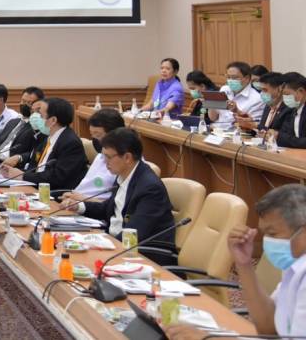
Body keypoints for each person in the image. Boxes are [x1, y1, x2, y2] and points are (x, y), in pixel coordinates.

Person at [164, 184, 306, 339]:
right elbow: (269, 329)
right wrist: (244, 264)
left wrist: (208, 338)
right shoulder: (295, 265)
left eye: (272, 234)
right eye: (265, 234)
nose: (267, 241)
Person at [65, 128, 176, 265]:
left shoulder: (150, 188)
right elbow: (108, 208)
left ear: (127, 157)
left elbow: (134, 233)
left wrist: (100, 246)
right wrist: (79, 206)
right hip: (116, 245)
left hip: (142, 257)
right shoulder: (124, 175)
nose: (105, 162)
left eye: (108, 157)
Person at [0, 97, 87, 191]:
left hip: (53, 193)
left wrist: (22, 176)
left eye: (40, 115)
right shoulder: (49, 138)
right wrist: (12, 172)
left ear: (53, 120)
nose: (37, 117)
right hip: (34, 187)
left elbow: (57, 177)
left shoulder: (70, 143)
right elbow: (35, 168)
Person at [68, 107, 126, 197]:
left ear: (115, 133)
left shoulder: (125, 162)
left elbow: (114, 202)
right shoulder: (100, 156)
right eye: (92, 135)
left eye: (98, 135)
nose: (95, 139)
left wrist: (80, 199)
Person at [0, 88, 44, 162]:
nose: (24, 104)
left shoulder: (38, 128)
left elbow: (35, 152)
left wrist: (19, 158)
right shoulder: (13, 121)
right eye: (23, 101)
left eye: (29, 102)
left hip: (11, 164)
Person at [210, 61, 264, 125]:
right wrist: (211, 104)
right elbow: (213, 118)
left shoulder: (257, 99)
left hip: (237, 130)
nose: (230, 80)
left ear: (247, 78)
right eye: (228, 77)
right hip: (216, 128)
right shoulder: (224, 89)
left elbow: (252, 125)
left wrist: (237, 111)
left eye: (234, 78)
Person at [238, 72, 287, 136]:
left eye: (265, 90)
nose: (262, 93)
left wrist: (254, 125)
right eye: (261, 90)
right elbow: (261, 130)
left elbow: (280, 134)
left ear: (279, 89)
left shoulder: (287, 109)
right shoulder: (268, 106)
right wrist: (248, 126)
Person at [275, 73, 306, 149]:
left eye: (286, 94)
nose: (284, 98)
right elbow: (285, 134)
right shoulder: (291, 110)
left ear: (301, 91)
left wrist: (279, 136)